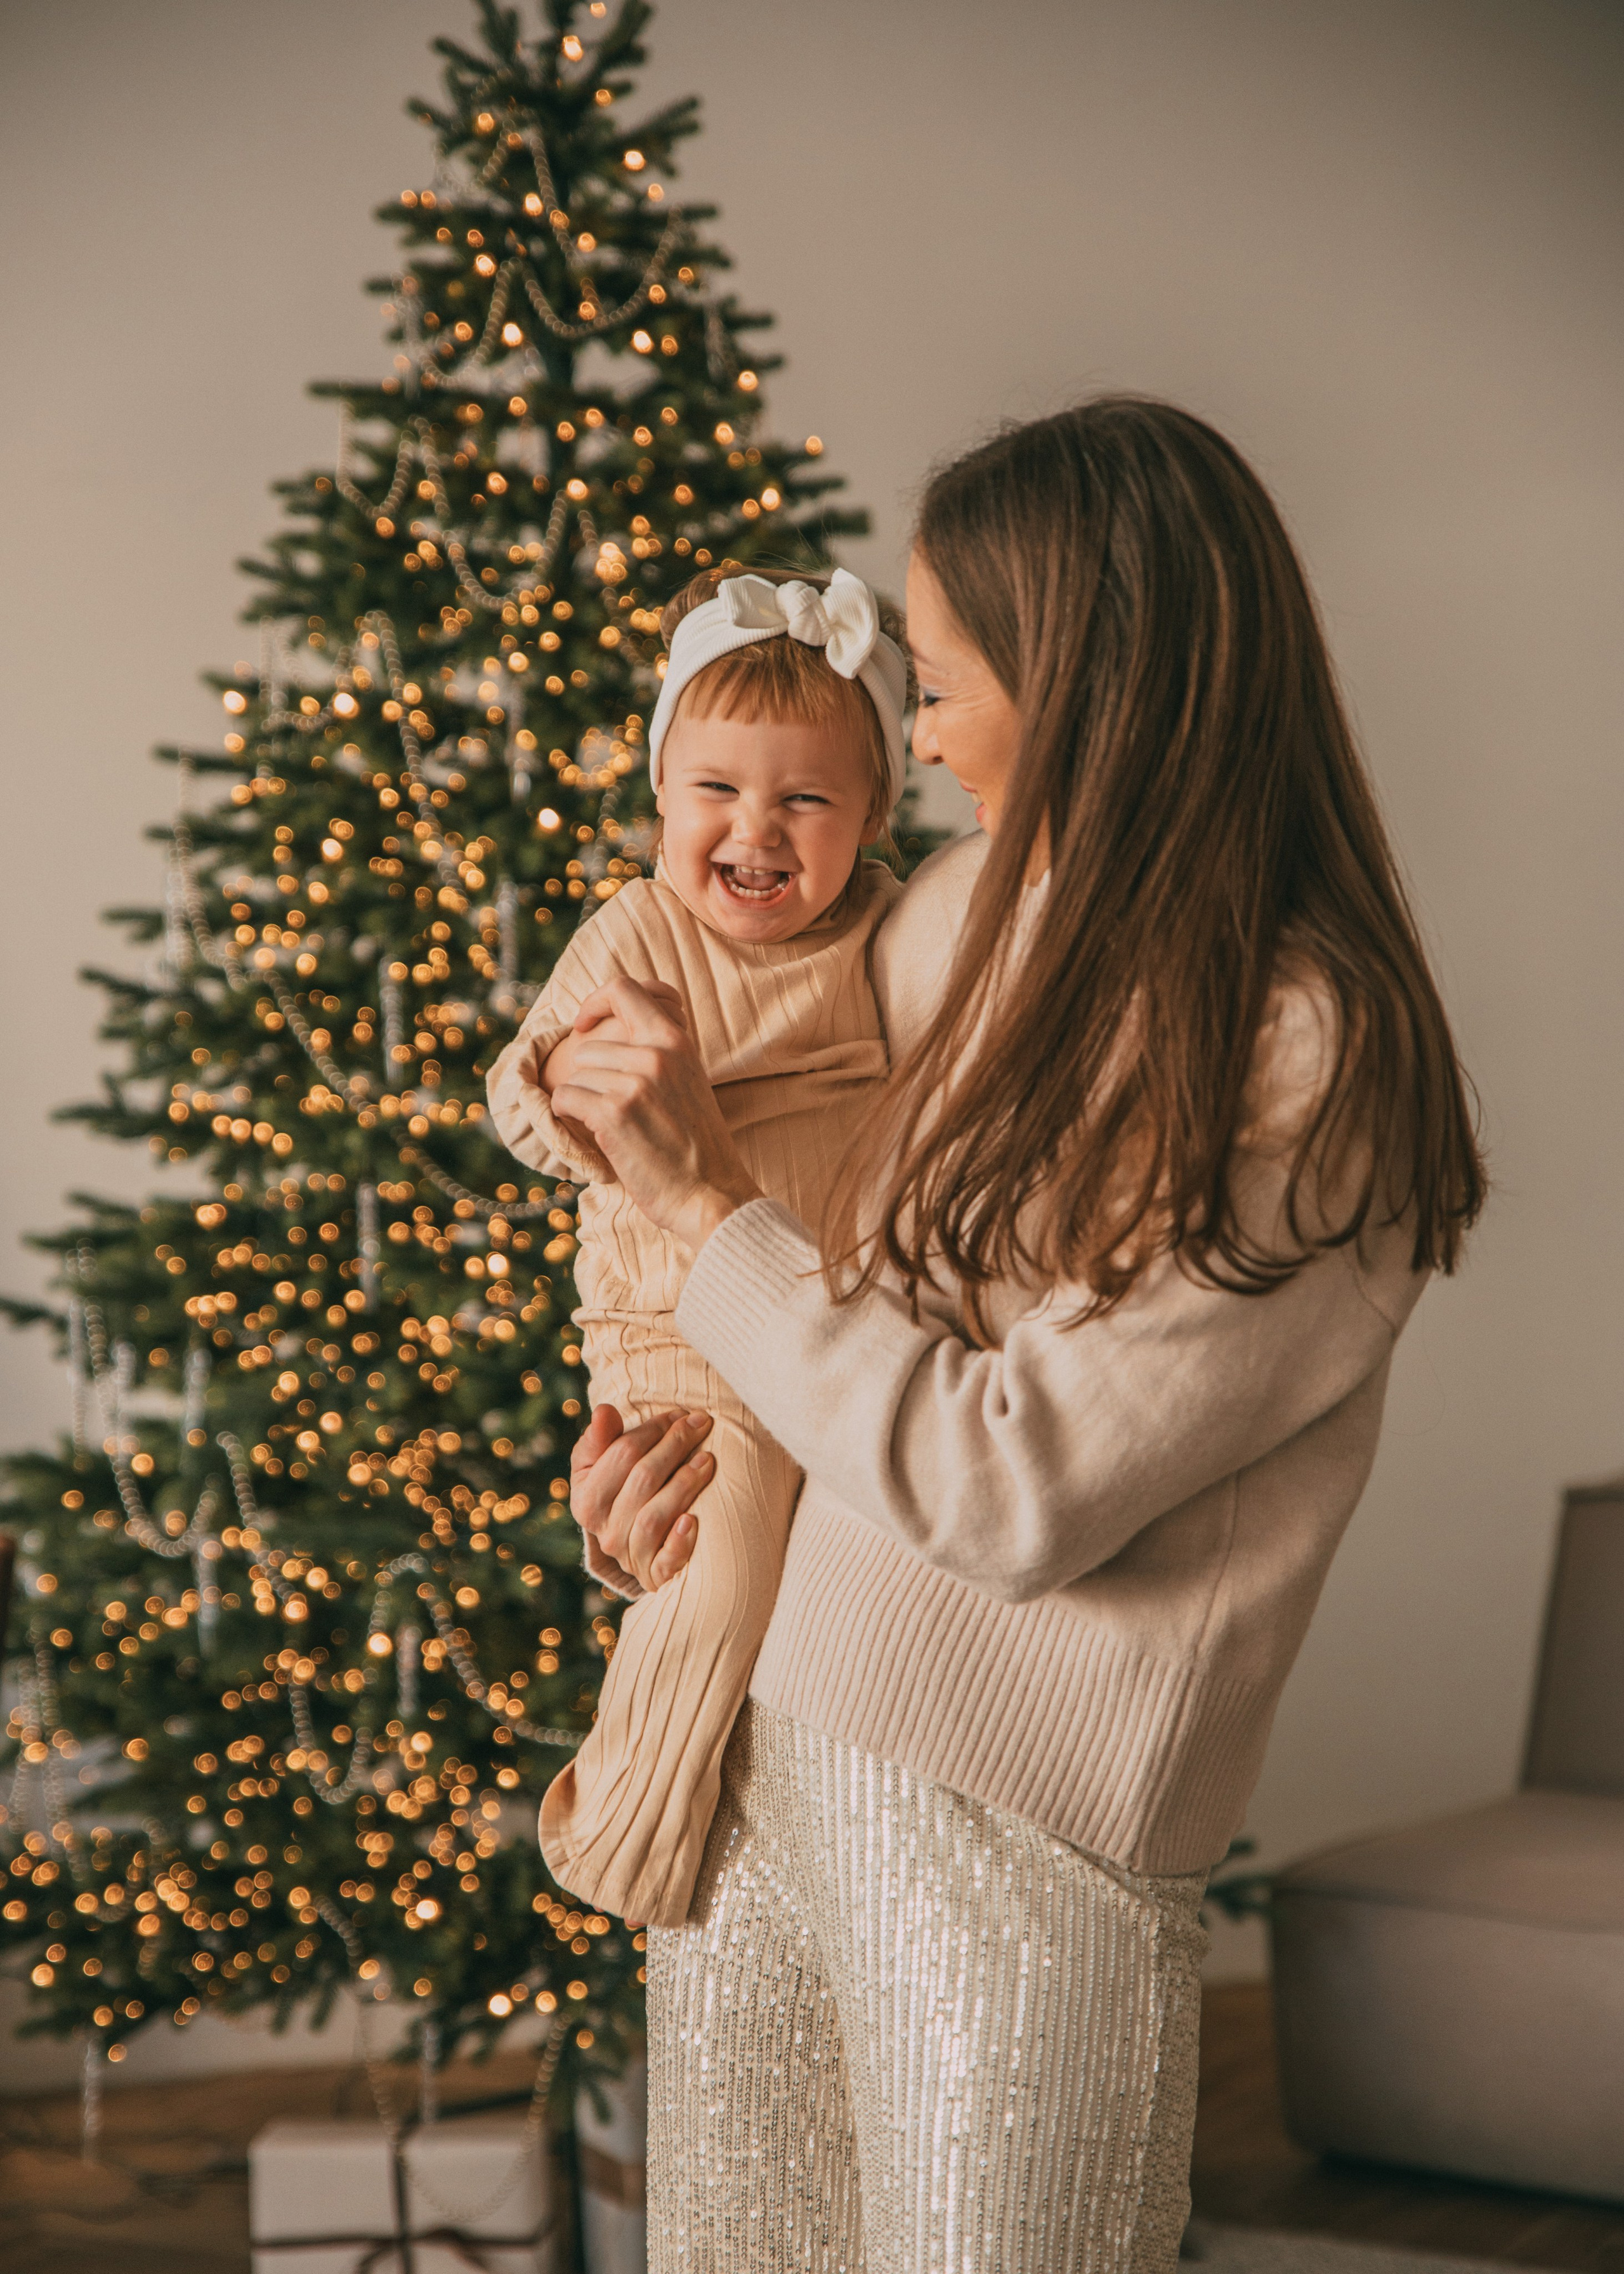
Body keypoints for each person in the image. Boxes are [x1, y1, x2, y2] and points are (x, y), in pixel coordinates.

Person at [547, 398, 1486, 2274]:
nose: (921, 722)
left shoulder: (1308, 1056)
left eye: (952, 673)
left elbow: (1009, 1481)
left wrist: (698, 1214)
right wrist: (657, 1486)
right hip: (764, 1767)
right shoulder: (963, 913)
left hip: (1020, 1848)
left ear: (1097, 685)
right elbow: (817, 1292)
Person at [487, 565, 909, 1929]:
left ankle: (790, 1876)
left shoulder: (897, 933)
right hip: (679, 1331)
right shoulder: (638, 933)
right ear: (662, 796)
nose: (755, 829)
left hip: (832, 1325)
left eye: (804, 799)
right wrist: (577, 1116)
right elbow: (517, 1088)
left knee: (833, 1605)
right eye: (715, 790)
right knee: (716, 1573)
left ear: (872, 818)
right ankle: (619, 1840)